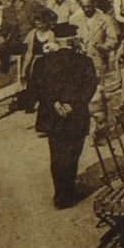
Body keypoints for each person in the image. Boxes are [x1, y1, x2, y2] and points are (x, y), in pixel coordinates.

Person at [28, 24, 100, 208]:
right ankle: (68, 192)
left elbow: (37, 87)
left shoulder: (43, 62)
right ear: (73, 40)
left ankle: (60, 195)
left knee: (56, 153)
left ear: (56, 41)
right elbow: (90, 86)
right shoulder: (85, 61)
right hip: (76, 116)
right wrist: (72, 104)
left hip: (52, 115)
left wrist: (54, 103)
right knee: (72, 153)